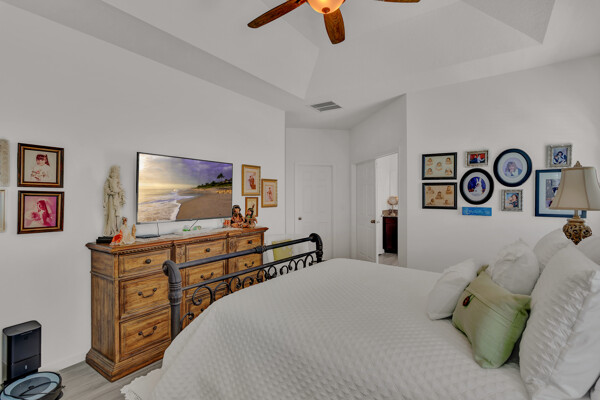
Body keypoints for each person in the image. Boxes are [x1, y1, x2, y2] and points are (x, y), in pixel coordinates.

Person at [103, 166, 126, 236]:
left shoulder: (117, 181)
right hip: (111, 199)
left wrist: (119, 192)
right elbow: (106, 189)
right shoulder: (108, 180)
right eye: (113, 172)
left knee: (117, 215)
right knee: (111, 214)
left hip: (116, 199)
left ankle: (116, 229)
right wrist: (111, 192)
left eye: (116, 172)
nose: (114, 174)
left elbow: (120, 189)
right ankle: (111, 230)